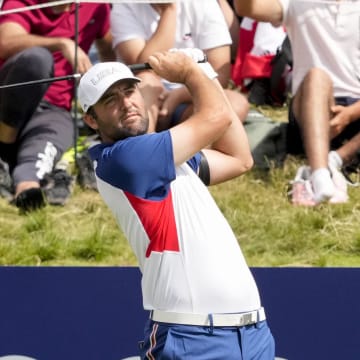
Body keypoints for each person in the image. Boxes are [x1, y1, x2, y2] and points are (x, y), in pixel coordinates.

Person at [78, 49, 275, 359]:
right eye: (110, 100)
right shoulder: (124, 160)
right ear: (92, 119)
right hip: (193, 339)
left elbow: (239, 159)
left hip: (253, 335)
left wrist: (205, 72)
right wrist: (189, 73)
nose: (126, 103)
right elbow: (218, 117)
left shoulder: (166, 157)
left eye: (129, 91)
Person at [234, 0, 360, 206]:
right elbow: (246, 8)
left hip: (354, 110)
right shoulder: (297, 3)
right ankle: (320, 177)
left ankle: (333, 161)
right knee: (317, 76)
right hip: (310, 104)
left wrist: (350, 114)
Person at [0, 0, 114, 211]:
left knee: (46, 145)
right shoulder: (22, 2)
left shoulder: (97, 6)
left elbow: (109, 51)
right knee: (38, 60)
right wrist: (62, 43)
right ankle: (4, 152)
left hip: (55, 109)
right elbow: (4, 41)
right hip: (9, 100)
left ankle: (27, 187)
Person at [110, 0, 249, 132]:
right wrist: (169, 11)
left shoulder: (204, 3)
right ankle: (147, 146)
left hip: (190, 94)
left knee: (237, 103)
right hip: (146, 99)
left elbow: (221, 75)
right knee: (147, 80)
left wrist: (177, 97)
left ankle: (186, 151)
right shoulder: (124, 6)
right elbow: (143, 67)